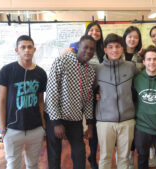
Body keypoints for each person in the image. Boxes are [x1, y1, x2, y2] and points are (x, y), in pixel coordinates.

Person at [0, 35, 47, 169]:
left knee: (33, 164)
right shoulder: (7, 71)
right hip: (12, 129)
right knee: (13, 165)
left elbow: (41, 101)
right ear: (16, 50)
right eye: (23, 47)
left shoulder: (40, 73)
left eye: (29, 47)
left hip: (35, 129)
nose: (26, 50)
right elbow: (1, 101)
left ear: (34, 49)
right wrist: (2, 130)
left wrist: (43, 125)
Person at [45, 35, 96, 169]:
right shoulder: (62, 61)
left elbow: (89, 99)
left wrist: (90, 124)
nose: (88, 51)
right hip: (56, 117)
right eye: (85, 47)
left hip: (75, 118)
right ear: (78, 47)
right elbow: (51, 92)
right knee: (55, 154)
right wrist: (56, 122)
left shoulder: (90, 71)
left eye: (92, 49)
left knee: (79, 152)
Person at [64, 21, 104, 169]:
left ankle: (92, 157)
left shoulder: (103, 50)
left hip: (96, 94)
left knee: (93, 126)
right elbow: (66, 56)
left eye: (97, 30)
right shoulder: (76, 46)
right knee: (77, 127)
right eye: (91, 30)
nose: (95, 32)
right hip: (77, 92)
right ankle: (79, 152)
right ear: (86, 32)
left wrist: (99, 91)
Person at [95, 33, 136, 169]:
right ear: (105, 49)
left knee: (124, 158)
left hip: (127, 121)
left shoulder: (131, 67)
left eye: (117, 46)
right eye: (110, 47)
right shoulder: (97, 69)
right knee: (105, 157)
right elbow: (90, 91)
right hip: (104, 121)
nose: (114, 50)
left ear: (122, 48)